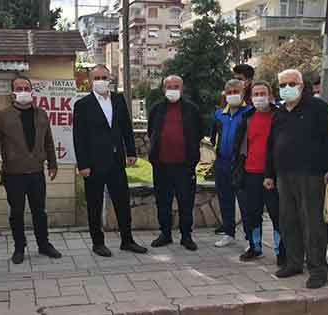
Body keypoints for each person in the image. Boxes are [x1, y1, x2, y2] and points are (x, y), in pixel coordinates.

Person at [264, 69, 328, 289]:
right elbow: (271, 144)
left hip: (311, 174)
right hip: (283, 175)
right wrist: (269, 173)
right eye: (283, 84)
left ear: (301, 85)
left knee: (312, 223)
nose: (287, 88)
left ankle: (317, 269)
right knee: (288, 220)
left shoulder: (318, 108)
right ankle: (294, 262)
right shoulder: (279, 112)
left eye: (291, 83)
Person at [73, 64, 148, 257]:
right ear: (90, 81)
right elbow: (78, 137)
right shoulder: (82, 105)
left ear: (110, 79)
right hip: (93, 164)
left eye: (103, 77)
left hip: (116, 162)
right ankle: (98, 243)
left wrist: (131, 152)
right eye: (96, 78)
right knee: (95, 204)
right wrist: (83, 165)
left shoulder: (118, 100)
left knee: (122, 202)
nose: (100, 81)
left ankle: (127, 240)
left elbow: (126, 128)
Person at [0, 76, 62, 264]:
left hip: (36, 172)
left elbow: (48, 142)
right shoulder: (2, 116)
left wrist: (53, 164)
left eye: (26, 87)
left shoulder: (41, 114)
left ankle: (44, 245)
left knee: (40, 212)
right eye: (19, 88)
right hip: (13, 174)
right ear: (13, 92)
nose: (23, 91)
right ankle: (19, 247)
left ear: (31, 90)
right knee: (16, 212)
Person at [147, 75, 204, 251]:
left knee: (185, 202)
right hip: (161, 166)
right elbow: (151, 132)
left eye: (176, 86)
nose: (172, 90)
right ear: (163, 89)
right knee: (163, 203)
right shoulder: (156, 109)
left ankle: (186, 236)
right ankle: (165, 234)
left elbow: (199, 133)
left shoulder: (192, 109)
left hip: (184, 167)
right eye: (169, 86)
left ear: (182, 88)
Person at [232, 81, 285, 266]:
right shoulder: (247, 117)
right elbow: (238, 145)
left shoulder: (280, 116)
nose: (259, 97)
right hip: (250, 173)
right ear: (250, 97)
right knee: (252, 213)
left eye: (263, 93)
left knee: (277, 214)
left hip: (274, 174)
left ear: (270, 96)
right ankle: (255, 247)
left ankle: (281, 251)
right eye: (256, 94)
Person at [210, 79, 251, 247]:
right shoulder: (219, 114)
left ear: (243, 93)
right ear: (225, 94)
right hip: (222, 162)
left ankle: (251, 238)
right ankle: (228, 233)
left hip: (242, 164)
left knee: (245, 202)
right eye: (230, 92)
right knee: (225, 199)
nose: (233, 94)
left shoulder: (250, 112)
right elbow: (213, 136)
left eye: (237, 91)